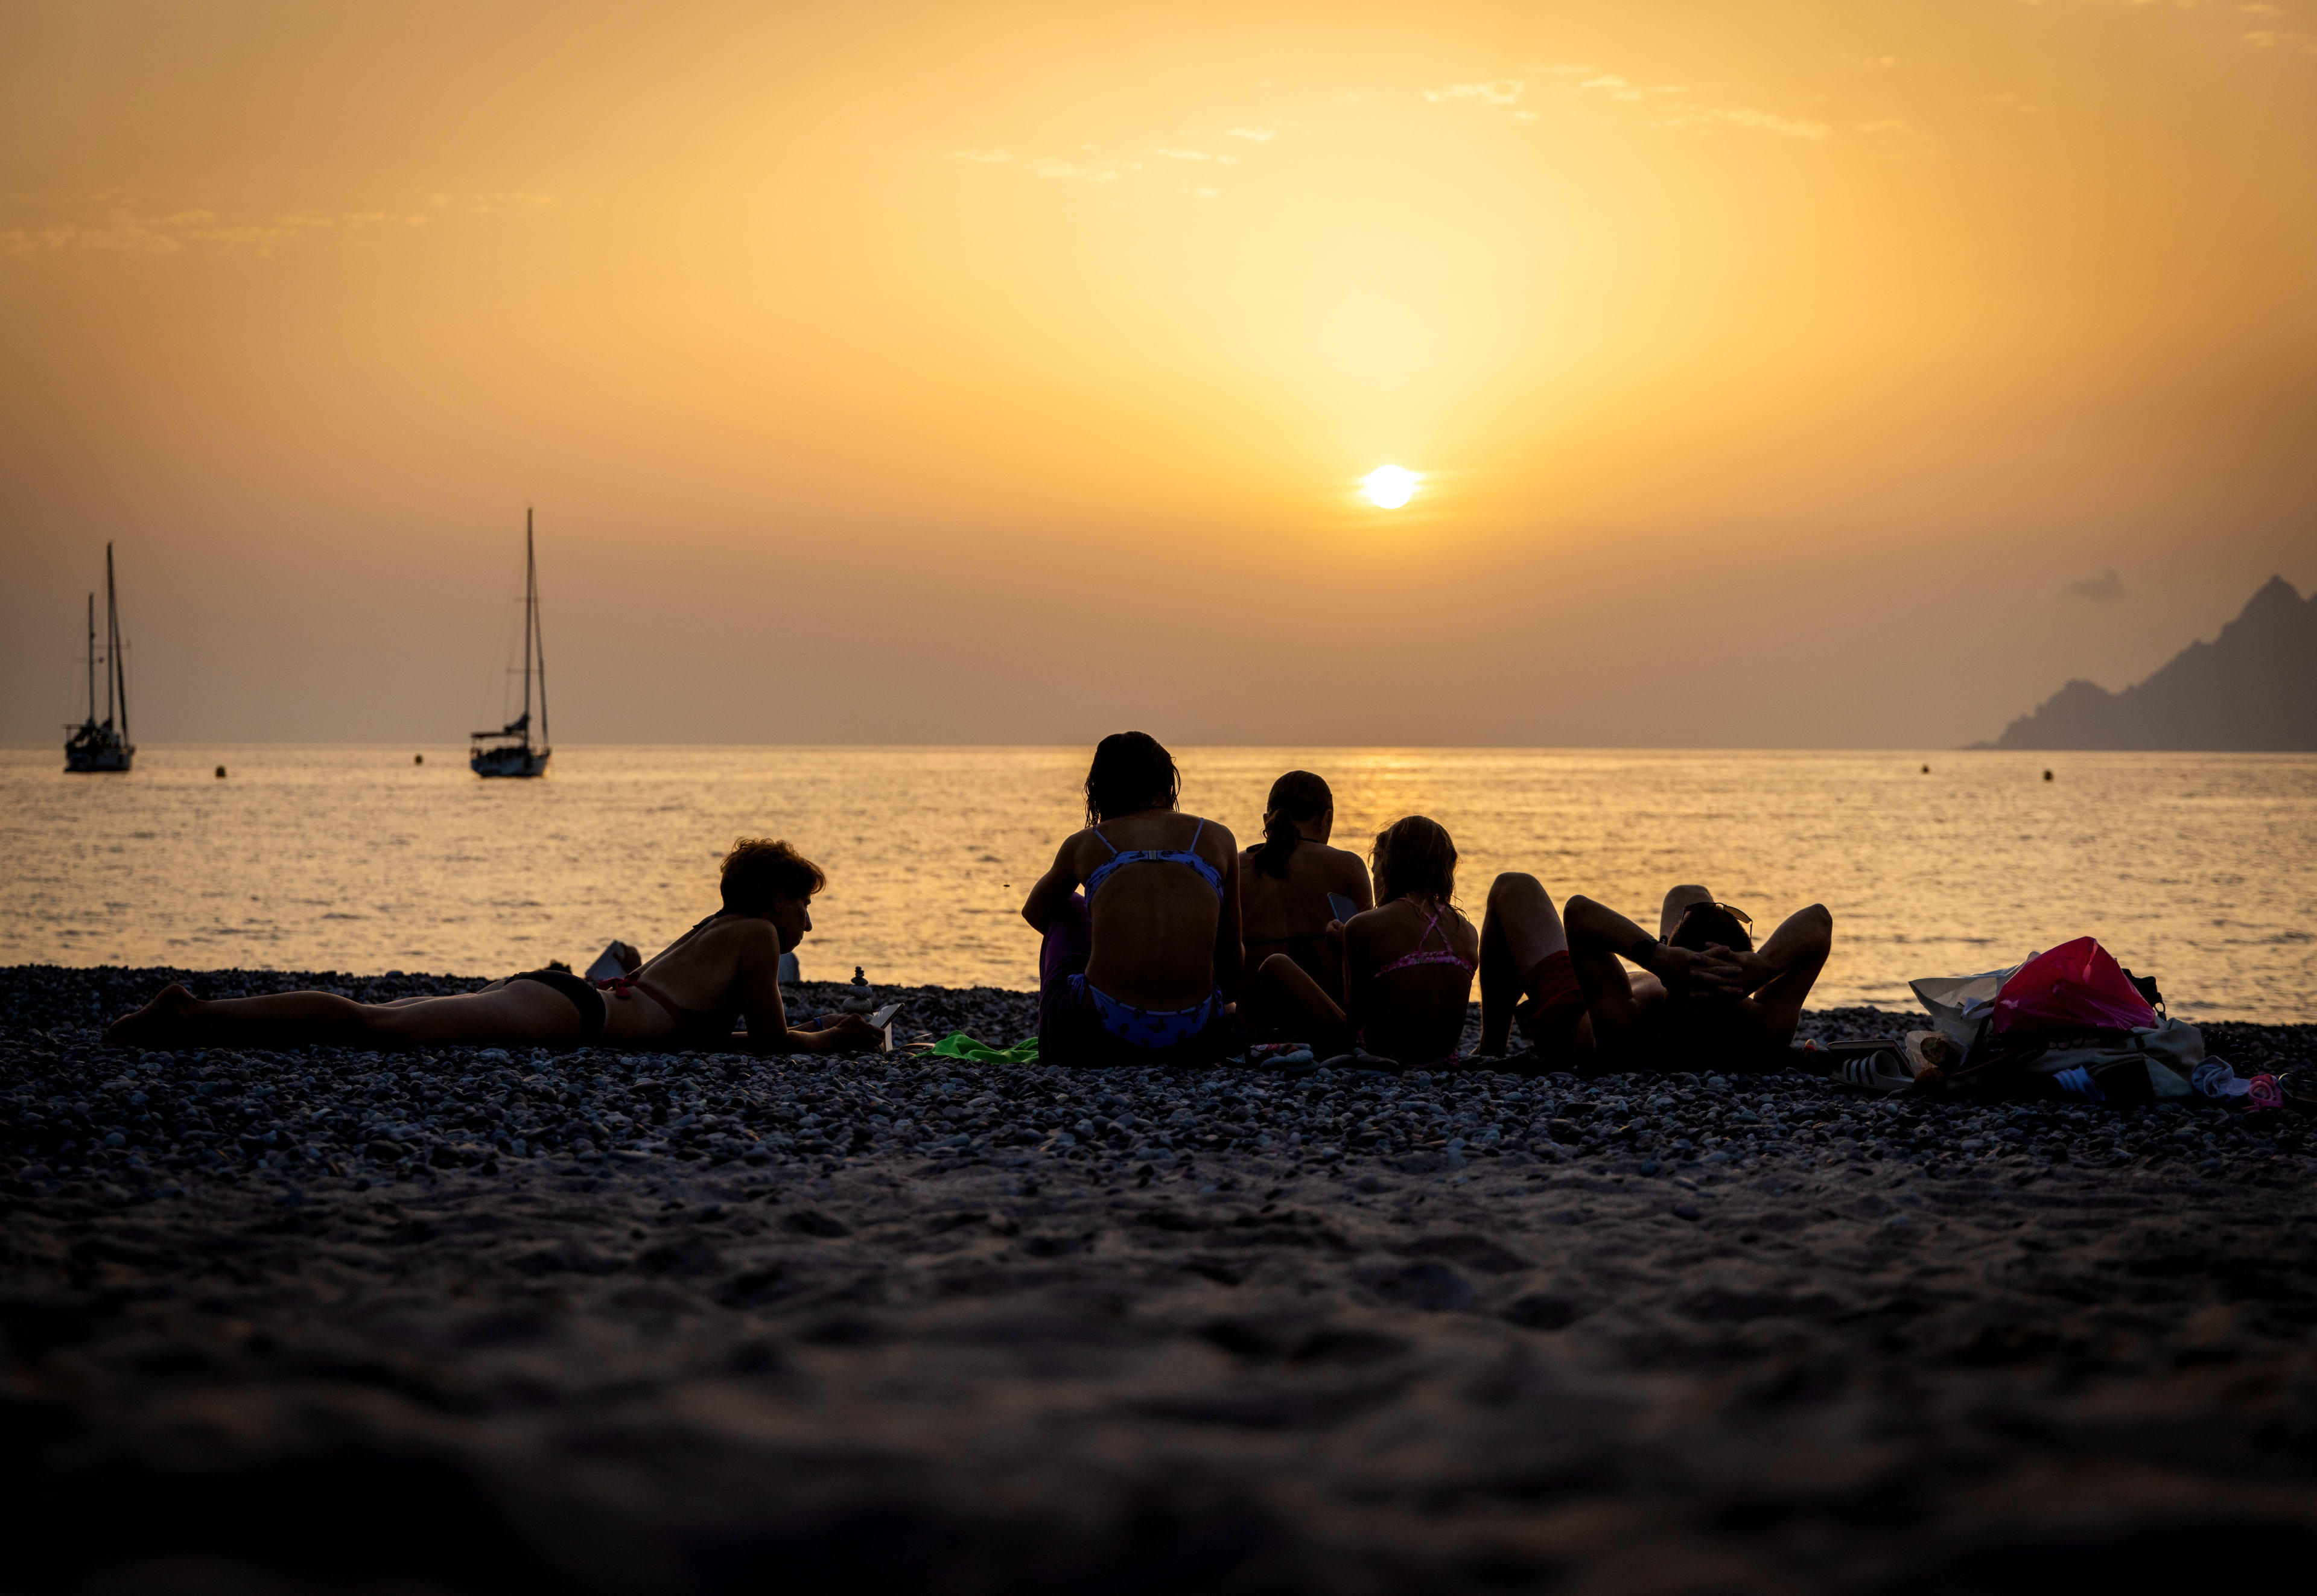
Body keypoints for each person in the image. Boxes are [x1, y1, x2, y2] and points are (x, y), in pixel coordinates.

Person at [103, 838, 885, 1055]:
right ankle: (195, 1014)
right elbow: (776, 1044)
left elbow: (714, 1036)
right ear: (777, 899)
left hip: (565, 1000)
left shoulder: (716, 931)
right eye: (804, 905)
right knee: (377, 1027)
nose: (807, 924)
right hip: (571, 1014)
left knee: (380, 1015)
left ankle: (197, 1015)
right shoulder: (753, 934)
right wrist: (841, 1039)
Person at [1021, 732, 1242, 1064]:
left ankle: (1058, 1035)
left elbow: (1036, 912)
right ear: (1167, 782)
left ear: (1100, 789)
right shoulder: (1216, 838)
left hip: (1100, 1035)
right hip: (1195, 1035)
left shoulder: (1086, 843)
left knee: (1068, 907)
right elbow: (1232, 962)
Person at [1477, 874, 1830, 1071]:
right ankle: (1691, 941)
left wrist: (1658, 956)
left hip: (1579, 1009)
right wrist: (1763, 966)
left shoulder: (1627, 1024)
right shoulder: (1763, 1029)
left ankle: (1490, 1048)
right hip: (1671, 989)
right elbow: (1819, 921)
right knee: (1689, 893)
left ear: (1670, 975)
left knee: (1512, 886)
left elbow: (1579, 912)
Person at [1257, 815, 1478, 1069]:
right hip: (1444, 1058)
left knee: (1276, 965)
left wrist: (1346, 952)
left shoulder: (1365, 925)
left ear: (1390, 866)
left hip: (1381, 1053)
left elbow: (1355, 1016)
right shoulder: (1469, 932)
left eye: (1377, 869)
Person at [1236, 770, 1372, 1020]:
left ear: (1268, 819)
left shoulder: (1236, 867)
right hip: (1327, 1026)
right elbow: (1369, 958)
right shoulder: (1348, 866)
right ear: (1325, 819)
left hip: (1253, 1024)